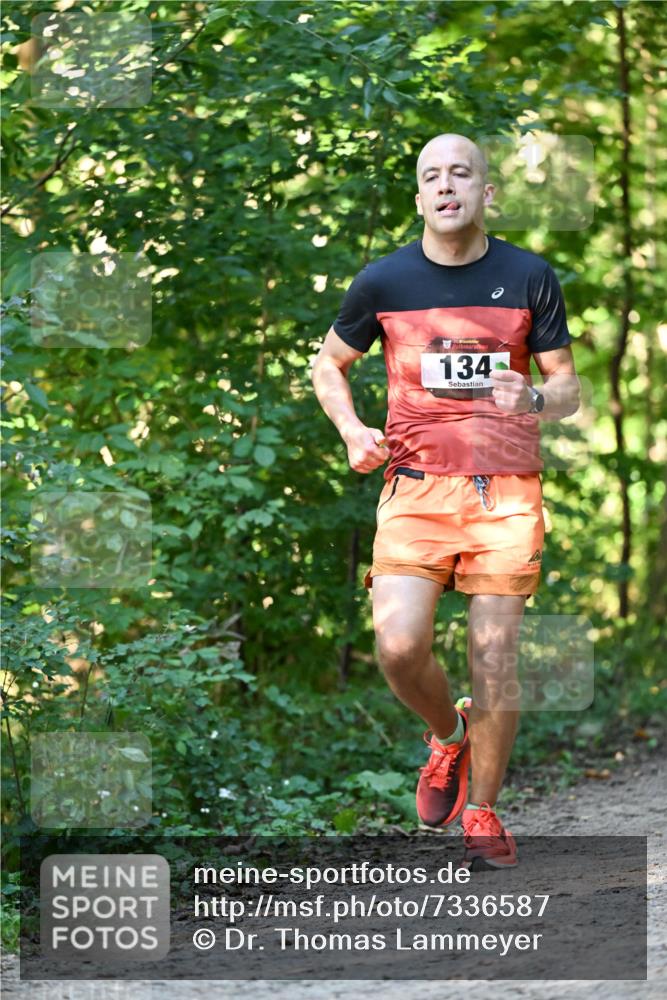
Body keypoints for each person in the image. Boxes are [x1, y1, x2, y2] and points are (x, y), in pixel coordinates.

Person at [311, 134, 580, 869]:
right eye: (430, 175)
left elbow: (566, 388)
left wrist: (528, 394)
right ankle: (448, 737)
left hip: (505, 492)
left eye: (460, 172)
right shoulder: (384, 282)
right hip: (415, 490)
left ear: (486, 192)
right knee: (398, 648)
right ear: (420, 196)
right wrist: (350, 430)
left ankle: (484, 812)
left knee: (493, 656)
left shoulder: (528, 275)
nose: (445, 185)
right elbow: (328, 365)